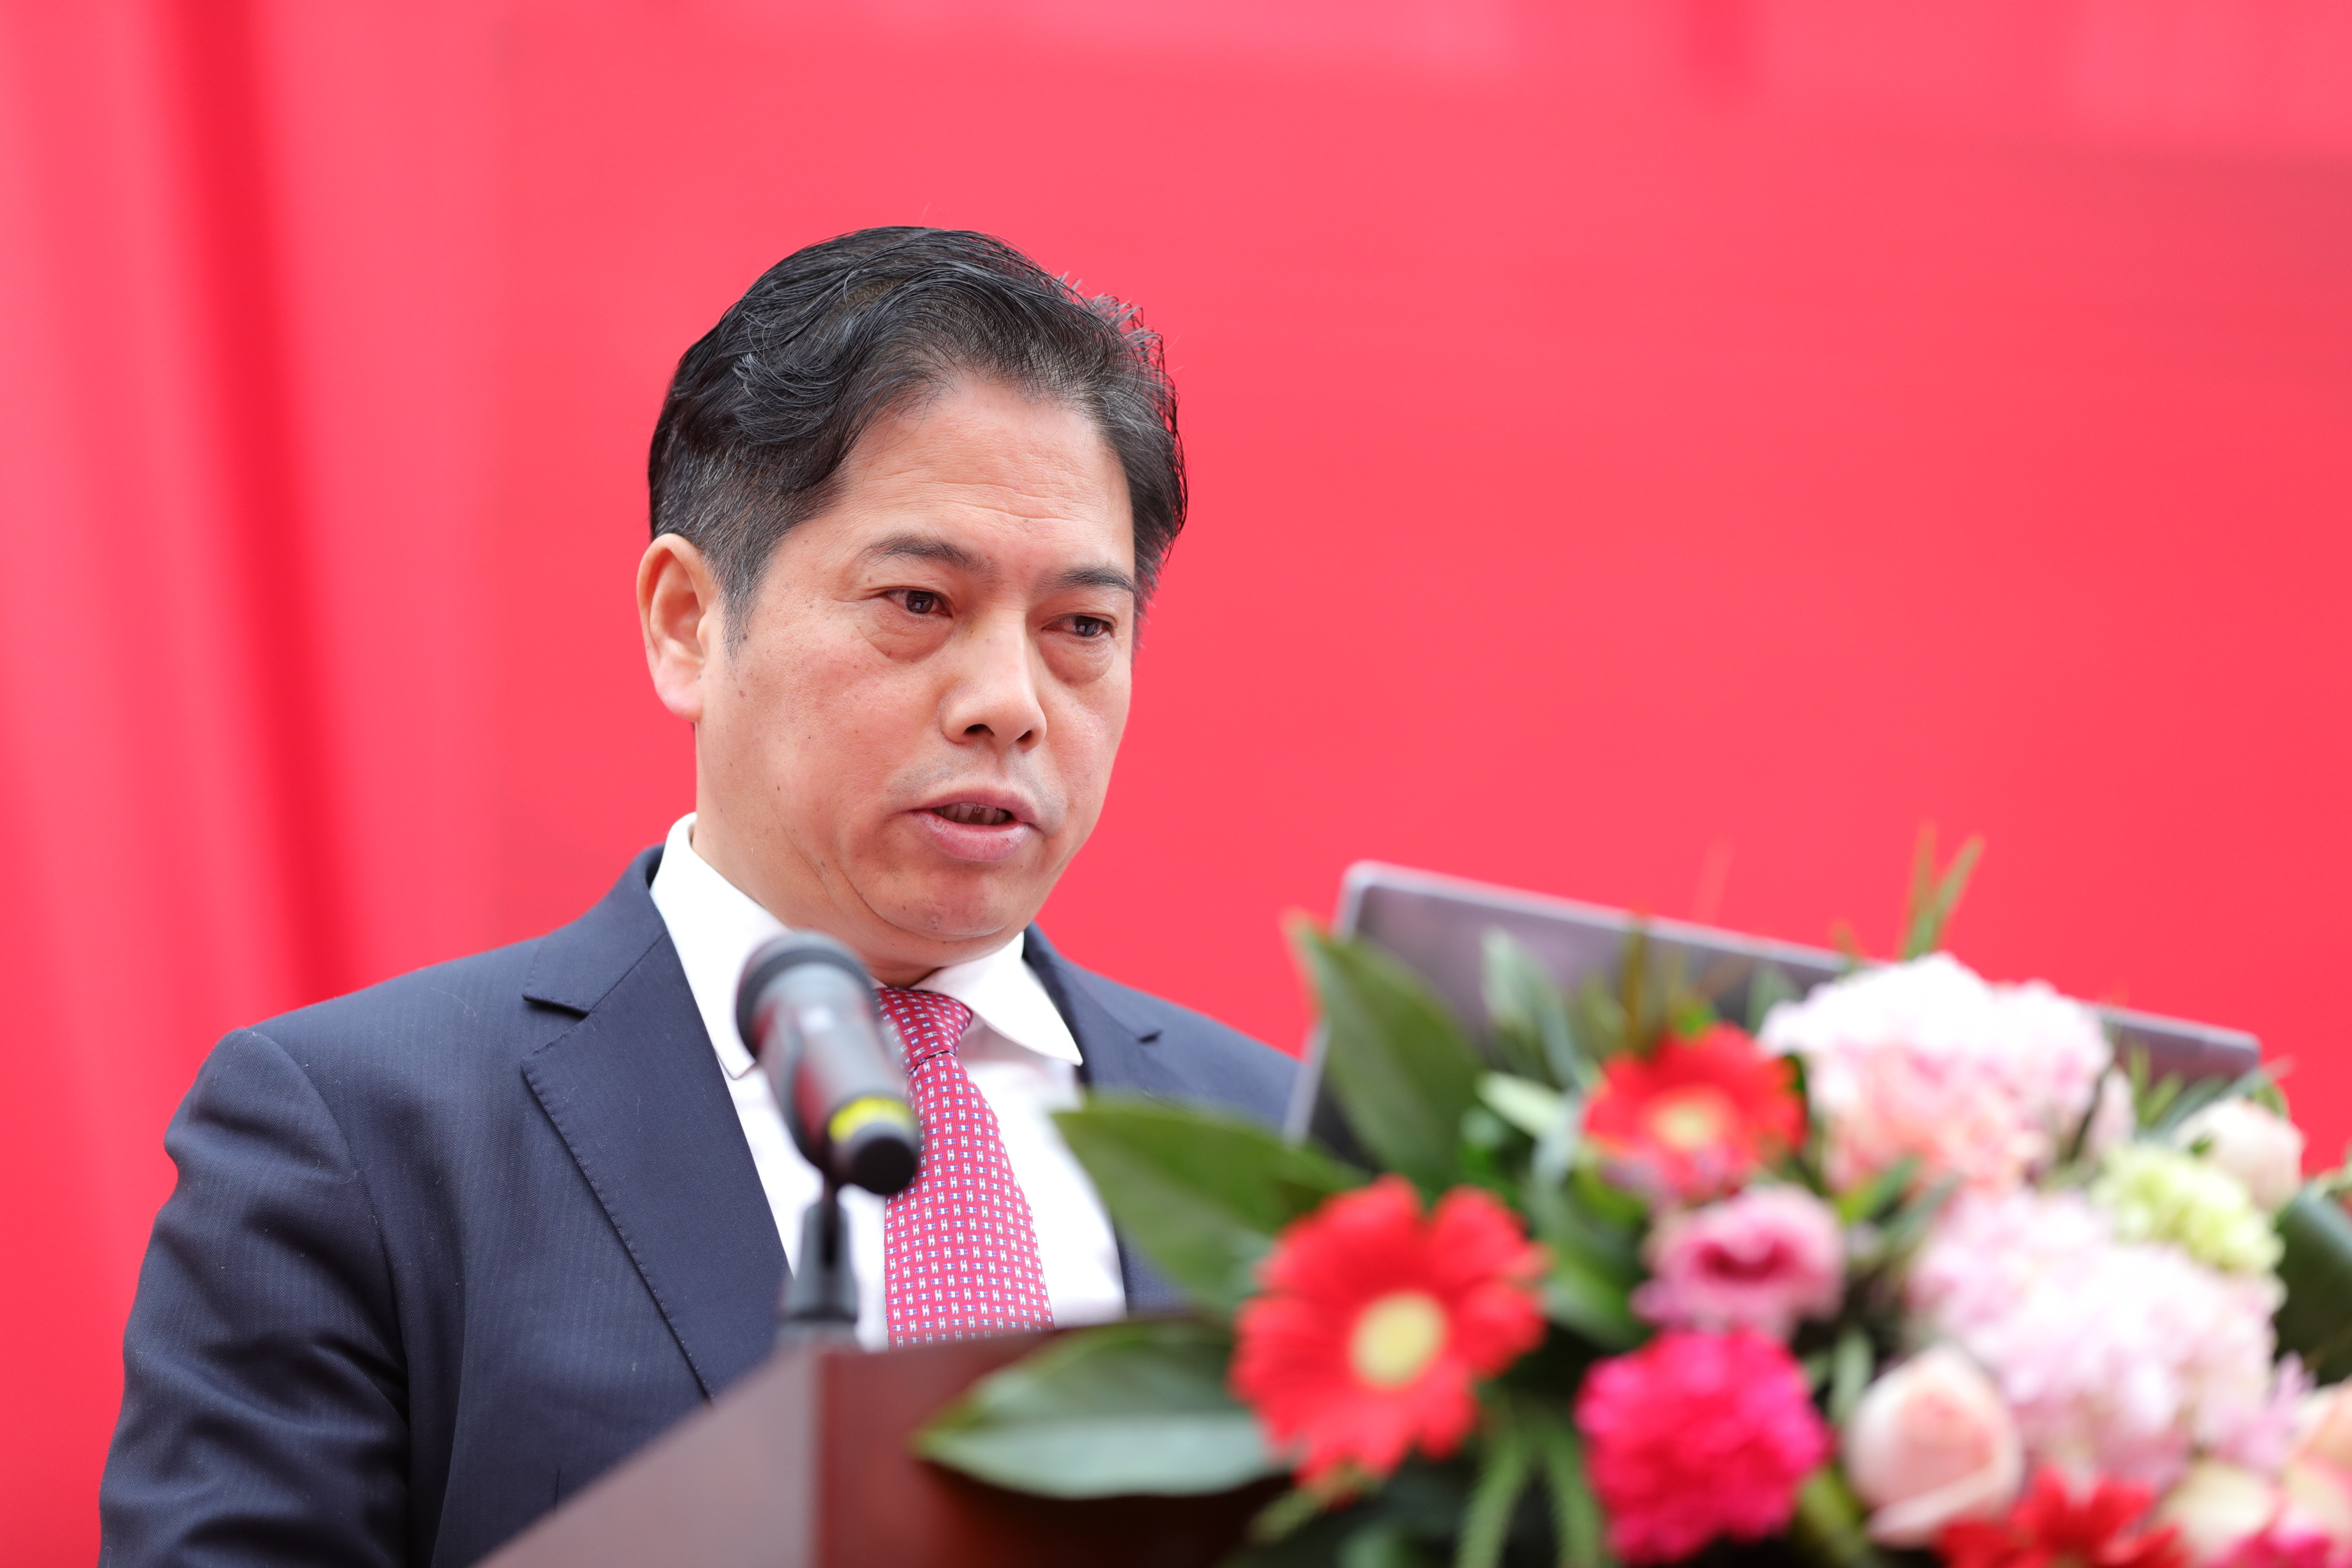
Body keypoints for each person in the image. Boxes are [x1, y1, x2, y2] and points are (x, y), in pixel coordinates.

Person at [98, 228, 1294, 1567]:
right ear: (686, 619)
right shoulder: (363, 1138)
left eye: (1081, 627)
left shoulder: (1290, 1158)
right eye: (918, 600)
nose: (1008, 703)